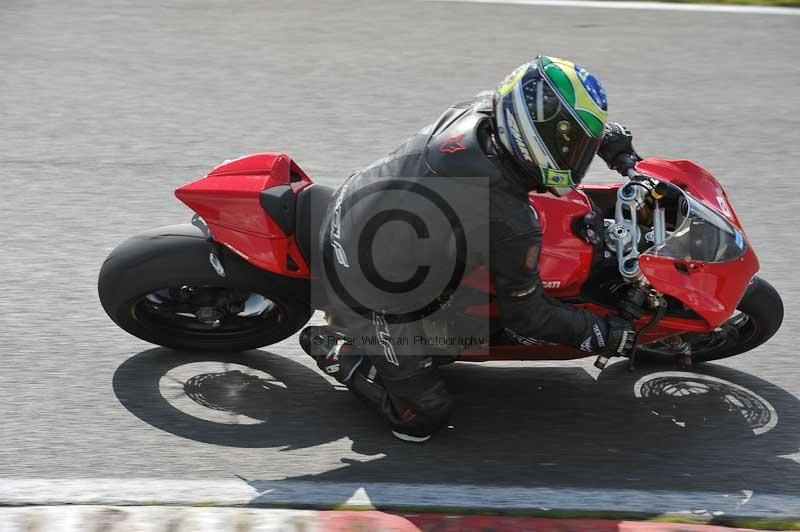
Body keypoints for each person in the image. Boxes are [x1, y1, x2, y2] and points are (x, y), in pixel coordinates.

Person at [301, 56, 640, 442]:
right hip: (365, 282)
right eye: (573, 143)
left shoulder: (487, 112)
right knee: (423, 416)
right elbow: (529, 317)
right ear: (534, 136)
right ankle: (337, 349)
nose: (577, 153)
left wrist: (602, 143)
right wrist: (601, 333)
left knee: (475, 304)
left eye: (582, 141)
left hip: (368, 202)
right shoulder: (508, 218)